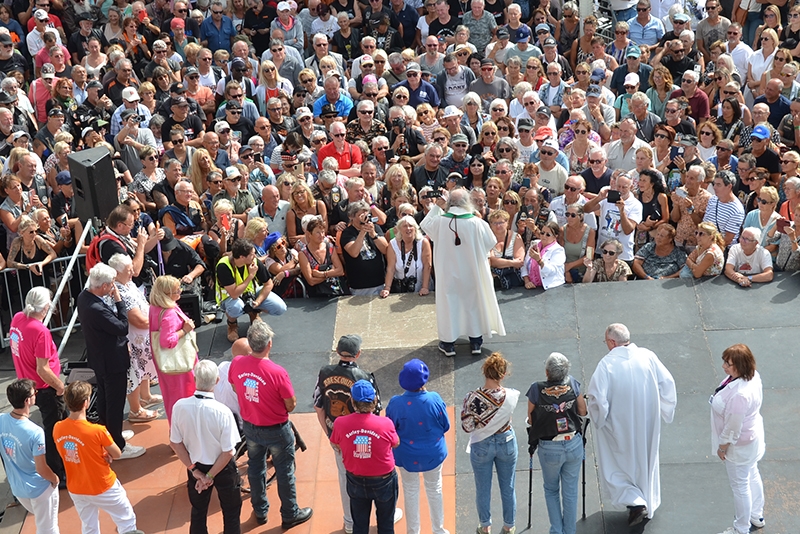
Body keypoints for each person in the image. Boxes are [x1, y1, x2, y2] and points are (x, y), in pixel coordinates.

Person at [587, 323, 677, 529]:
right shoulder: (647, 356)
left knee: (619, 462)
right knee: (645, 458)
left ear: (611, 342)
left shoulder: (606, 364)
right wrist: (665, 408)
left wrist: (598, 417)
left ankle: (635, 501)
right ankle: (644, 499)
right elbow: (667, 383)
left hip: (619, 424)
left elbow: (598, 400)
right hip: (646, 421)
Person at [229, 321, 313, 528]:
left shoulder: (237, 363)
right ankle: (290, 513)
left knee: (255, 467)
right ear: (269, 344)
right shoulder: (277, 372)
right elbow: (291, 404)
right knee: (285, 472)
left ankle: (260, 510)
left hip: (250, 426)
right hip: (276, 429)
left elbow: (234, 386)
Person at [420, 188, 505, 357]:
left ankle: (449, 344)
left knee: (449, 305)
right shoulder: (477, 222)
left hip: (448, 274)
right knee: (472, 304)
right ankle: (475, 342)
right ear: (467, 203)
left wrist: (438, 207)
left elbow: (424, 226)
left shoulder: (439, 221)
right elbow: (491, 242)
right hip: (471, 273)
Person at [313, 334, 382, 534]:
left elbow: (318, 407)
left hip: (339, 436)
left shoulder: (324, 372)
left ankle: (350, 522)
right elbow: (375, 409)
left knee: (345, 477)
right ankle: (380, 515)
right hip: (364, 435)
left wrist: (329, 435)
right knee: (374, 476)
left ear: (337, 352)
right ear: (358, 353)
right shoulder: (364, 377)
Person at [76, 263, 145, 460]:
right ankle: (119, 447)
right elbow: (122, 327)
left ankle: (110, 435)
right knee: (114, 403)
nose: (113, 286)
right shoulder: (97, 307)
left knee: (106, 400)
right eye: (111, 284)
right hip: (112, 361)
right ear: (104, 286)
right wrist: (119, 301)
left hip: (99, 358)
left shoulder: (84, 297)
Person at [53, 381, 138, 534]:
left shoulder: (58, 427)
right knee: (126, 519)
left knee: (89, 526)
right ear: (86, 403)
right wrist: (105, 454)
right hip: (102, 485)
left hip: (76, 487)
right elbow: (117, 453)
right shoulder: (97, 431)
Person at [170, 360, 241, 534]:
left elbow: (175, 442)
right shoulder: (223, 412)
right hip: (223, 469)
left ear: (195, 379)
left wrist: (196, 472)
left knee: (198, 512)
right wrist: (210, 476)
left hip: (195, 466)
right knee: (231, 512)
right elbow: (228, 452)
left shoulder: (179, 407)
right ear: (217, 381)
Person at [385, 359, 450, 534]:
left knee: (410, 491)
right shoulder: (434, 399)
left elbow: (390, 428)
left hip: (406, 455)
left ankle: (413, 531)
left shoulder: (395, 403)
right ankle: (439, 529)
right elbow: (445, 425)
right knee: (435, 488)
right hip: (433, 454)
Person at [9, 287, 66, 483]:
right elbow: (43, 368)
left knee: (56, 424)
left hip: (27, 381)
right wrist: (60, 387)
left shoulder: (17, 318)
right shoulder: (40, 331)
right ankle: (58, 473)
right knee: (53, 430)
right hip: (44, 387)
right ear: (47, 306)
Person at [526, 353, 587, 534]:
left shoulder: (536, 389)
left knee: (551, 489)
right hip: (573, 444)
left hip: (549, 447)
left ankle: (557, 531)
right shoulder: (573, 384)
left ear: (547, 372)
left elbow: (530, 418)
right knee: (570, 492)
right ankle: (569, 531)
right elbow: (583, 411)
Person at [461, 352, 518, 534]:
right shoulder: (510, 396)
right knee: (508, 486)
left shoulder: (472, 397)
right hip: (506, 442)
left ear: (484, 372)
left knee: (483, 488)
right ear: (503, 374)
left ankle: (485, 526)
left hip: (482, 445)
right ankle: (509, 526)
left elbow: (467, 427)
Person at [711, 344, 765, 534]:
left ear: (741, 366)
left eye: (729, 364)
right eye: (724, 361)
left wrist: (722, 447)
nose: (724, 366)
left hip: (739, 446)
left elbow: (733, 426)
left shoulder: (740, 395)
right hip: (752, 438)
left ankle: (741, 528)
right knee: (752, 473)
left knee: (740, 486)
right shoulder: (753, 376)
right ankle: (756, 515)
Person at [0, 379, 60, 534]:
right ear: (28, 401)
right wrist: (55, 479)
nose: (36, 395)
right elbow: (41, 468)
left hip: (18, 489)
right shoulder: (35, 432)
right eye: (35, 393)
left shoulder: (1, 420)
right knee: (48, 529)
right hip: (40, 489)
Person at [216, 238, 287, 342]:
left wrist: (258, 302)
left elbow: (268, 283)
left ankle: (254, 313)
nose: (255, 256)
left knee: (280, 307)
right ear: (242, 257)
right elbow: (234, 294)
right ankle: (232, 324)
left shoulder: (254, 261)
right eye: (252, 254)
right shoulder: (224, 266)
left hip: (251, 293)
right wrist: (250, 276)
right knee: (236, 306)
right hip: (230, 297)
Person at [148, 275, 198, 424]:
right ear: (166, 294)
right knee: (184, 397)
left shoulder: (155, 307)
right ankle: (185, 435)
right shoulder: (168, 312)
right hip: (179, 365)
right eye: (177, 291)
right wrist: (185, 330)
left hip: (165, 362)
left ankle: (176, 434)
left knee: (171, 398)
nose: (180, 292)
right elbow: (167, 341)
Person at [380, 215, 432, 297]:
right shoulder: (393, 244)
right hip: (401, 287)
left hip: (421, 286)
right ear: (399, 229)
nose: (408, 228)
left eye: (411, 226)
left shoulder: (423, 242)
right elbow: (391, 268)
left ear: (415, 228)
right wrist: (387, 288)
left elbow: (427, 266)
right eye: (405, 226)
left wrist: (425, 287)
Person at [521, 220, 566, 290]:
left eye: (548, 234)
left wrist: (539, 261)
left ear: (555, 236)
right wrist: (527, 281)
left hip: (551, 288)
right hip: (533, 286)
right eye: (542, 233)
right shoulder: (535, 244)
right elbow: (525, 264)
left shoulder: (558, 250)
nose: (544, 236)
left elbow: (552, 271)